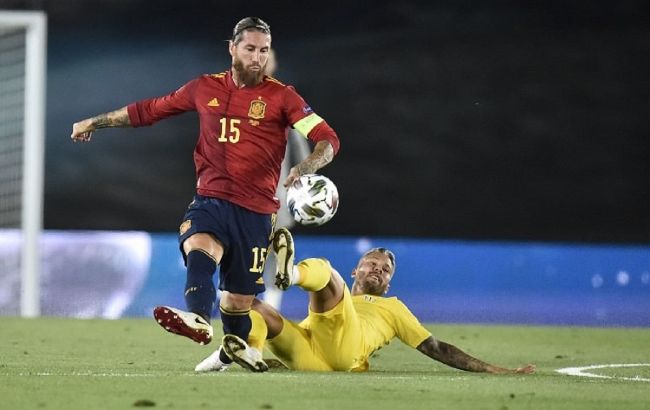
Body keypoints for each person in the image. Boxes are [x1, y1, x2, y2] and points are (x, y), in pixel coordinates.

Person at [70, 17, 340, 373]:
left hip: (256, 211)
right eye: (250, 49)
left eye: (263, 50)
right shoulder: (204, 88)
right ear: (232, 48)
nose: (257, 58)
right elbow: (149, 110)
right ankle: (198, 318)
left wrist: (307, 167)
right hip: (211, 197)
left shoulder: (282, 97)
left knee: (238, 303)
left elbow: (327, 138)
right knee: (199, 243)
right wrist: (94, 122)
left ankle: (232, 351)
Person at [196, 228, 536, 374]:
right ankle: (251, 352)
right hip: (308, 355)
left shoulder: (392, 307)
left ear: (388, 284)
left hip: (346, 351)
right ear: (357, 270)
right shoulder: (341, 298)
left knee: (327, 273)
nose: (378, 269)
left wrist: (494, 369)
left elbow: (435, 347)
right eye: (372, 263)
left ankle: (291, 274)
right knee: (249, 304)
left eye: (385, 270)